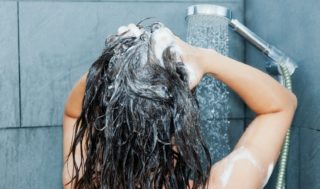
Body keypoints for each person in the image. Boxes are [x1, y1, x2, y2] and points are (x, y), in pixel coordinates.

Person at [62, 22, 297, 189]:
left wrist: (113, 65)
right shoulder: (226, 184)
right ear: (182, 126)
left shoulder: (82, 182)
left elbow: (73, 113)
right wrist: (205, 58)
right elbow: (280, 106)